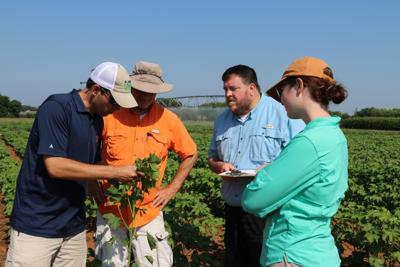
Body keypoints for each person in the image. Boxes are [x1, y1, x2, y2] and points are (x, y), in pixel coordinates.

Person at [5, 62, 139, 267]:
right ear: (96, 90)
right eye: (114, 102)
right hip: (38, 224)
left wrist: (108, 181)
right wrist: (113, 172)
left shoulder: (97, 120)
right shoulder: (56, 108)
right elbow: (55, 166)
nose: (117, 109)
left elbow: (92, 162)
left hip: (73, 225)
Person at [242, 57, 348, 267]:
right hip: (316, 251)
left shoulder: (310, 141)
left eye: (282, 91)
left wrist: (265, 172)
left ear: (299, 85)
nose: (280, 100)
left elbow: (253, 200)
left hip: (293, 254)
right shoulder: (334, 135)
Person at [95, 60, 198, 267]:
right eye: (140, 90)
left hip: (148, 210)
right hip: (111, 209)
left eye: (150, 92)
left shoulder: (168, 120)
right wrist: (93, 184)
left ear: (157, 92)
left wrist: (172, 188)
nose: (144, 96)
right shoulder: (109, 114)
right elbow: (91, 153)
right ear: (130, 87)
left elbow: (191, 153)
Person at [208, 65, 304, 267]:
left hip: (268, 213)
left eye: (233, 89)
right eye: (225, 89)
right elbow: (211, 158)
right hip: (233, 210)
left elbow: (300, 161)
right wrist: (219, 166)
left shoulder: (283, 114)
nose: (227, 94)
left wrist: (268, 170)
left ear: (251, 88)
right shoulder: (222, 120)